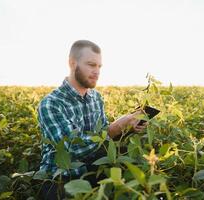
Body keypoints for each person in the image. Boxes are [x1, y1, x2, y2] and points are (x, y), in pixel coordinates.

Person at [37, 40, 147, 199]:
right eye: (91, 64)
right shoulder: (51, 103)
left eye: (99, 66)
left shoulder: (96, 98)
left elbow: (103, 136)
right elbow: (70, 149)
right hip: (60, 178)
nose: (96, 71)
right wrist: (115, 127)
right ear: (72, 63)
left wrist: (128, 128)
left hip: (93, 170)